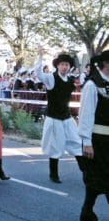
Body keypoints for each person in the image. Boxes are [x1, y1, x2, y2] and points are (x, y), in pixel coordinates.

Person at [35, 48, 83, 183]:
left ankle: (87, 173)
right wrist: (40, 56)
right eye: (62, 64)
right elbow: (38, 73)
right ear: (57, 65)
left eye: (67, 64)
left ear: (69, 67)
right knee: (55, 146)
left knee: (77, 143)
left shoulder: (70, 80)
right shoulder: (51, 78)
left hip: (66, 117)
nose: (64, 66)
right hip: (54, 118)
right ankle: (53, 174)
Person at [78, 50, 109, 221]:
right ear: (106, 63)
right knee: (101, 176)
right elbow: (86, 115)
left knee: (98, 179)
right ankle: (87, 211)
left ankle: (87, 211)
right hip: (98, 140)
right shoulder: (92, 85)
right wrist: (87, 142)